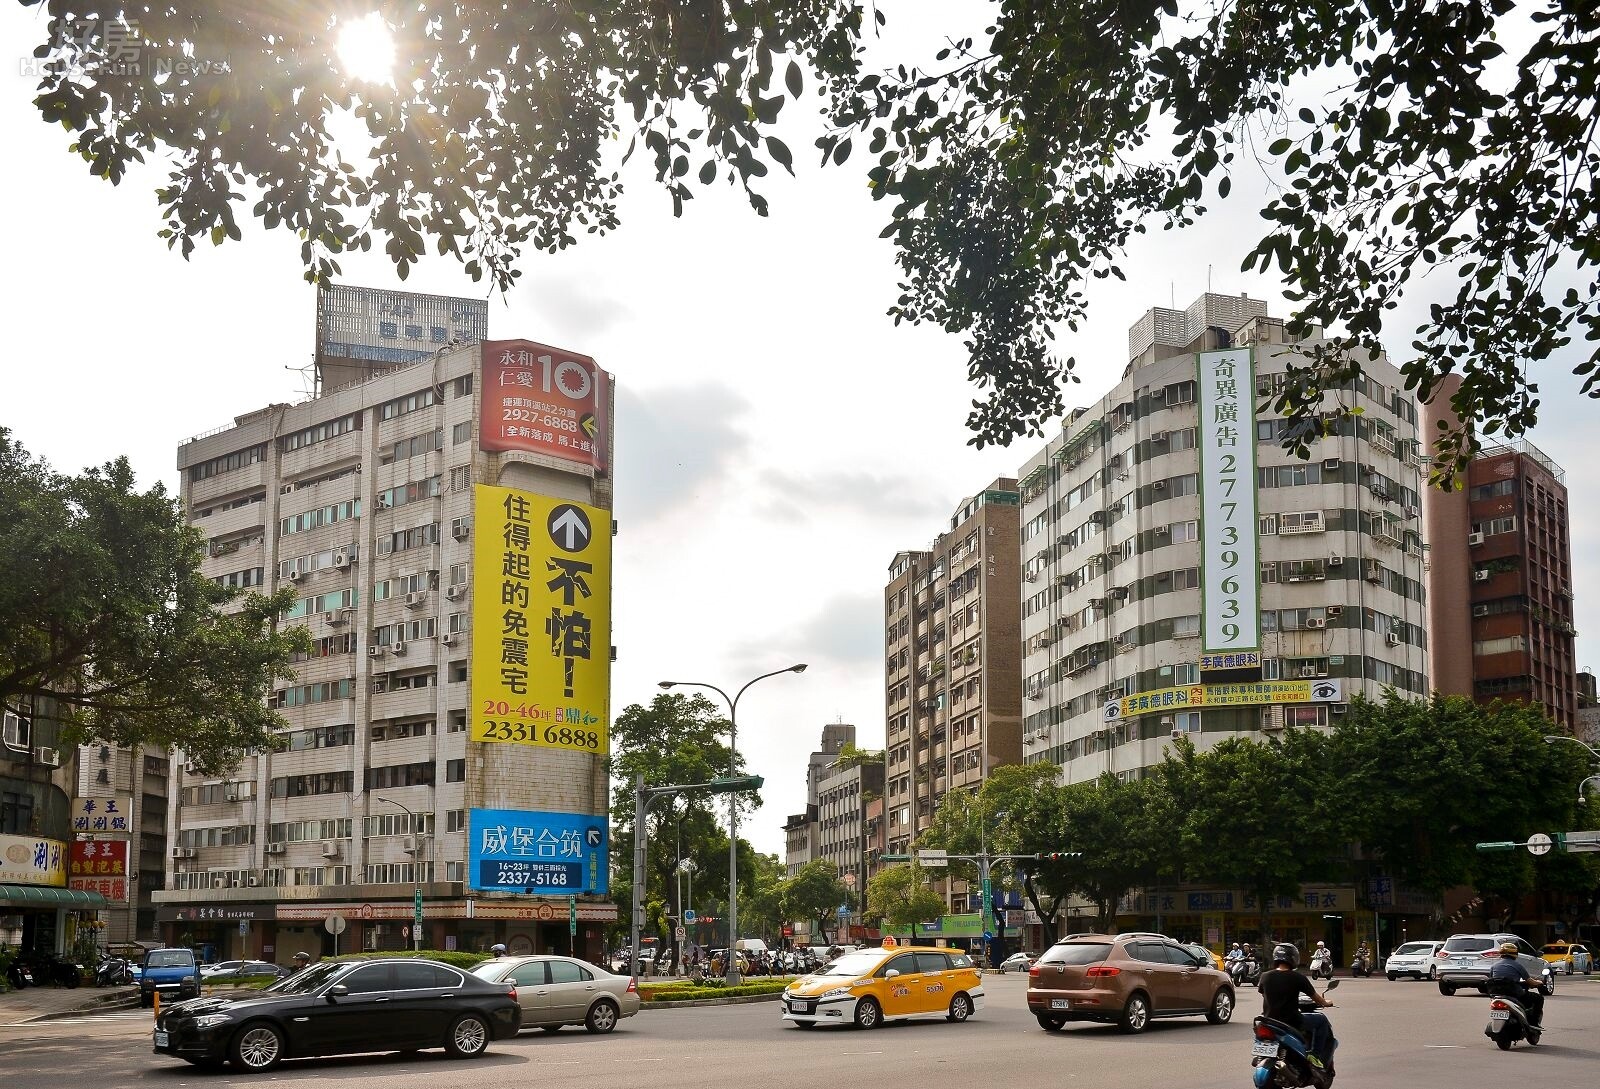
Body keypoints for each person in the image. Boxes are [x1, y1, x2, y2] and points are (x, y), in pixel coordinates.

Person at [1260, 942, 1337, 1076]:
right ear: (1294, 958)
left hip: (1268, 1021)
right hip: (1291, 1021)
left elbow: (1266, 995)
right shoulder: (1297, 977)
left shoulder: (1265, 976)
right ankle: (1315, 1055)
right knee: (1321, 1020)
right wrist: (1326, 1002)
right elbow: (1317, 999)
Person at [1485, 941, 1544, 1027]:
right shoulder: (1517, 965)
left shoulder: (1494, 966)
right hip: (1514, 994)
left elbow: (1492, 979)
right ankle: (1534, 1023)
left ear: (1501, 953)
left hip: (1496, 995)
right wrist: (1539, 983)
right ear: (1515, 953)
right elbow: (1530, 981)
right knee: (1538, 998)